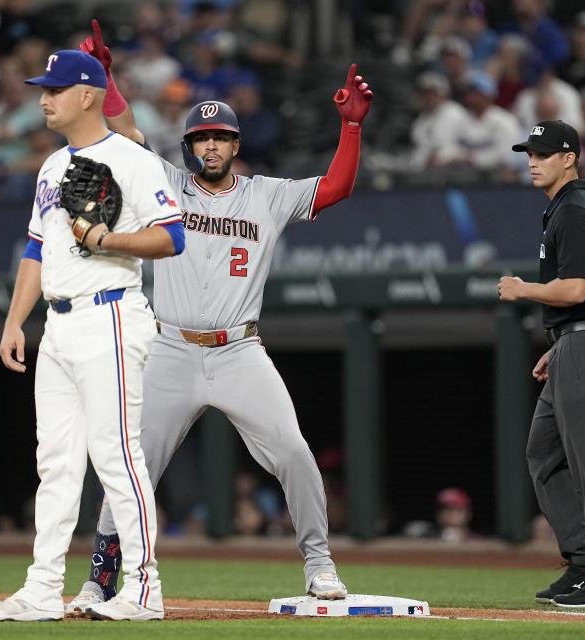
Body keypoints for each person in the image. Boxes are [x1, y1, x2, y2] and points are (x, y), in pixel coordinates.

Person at [65, 20, 372, 615]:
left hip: (238, 350)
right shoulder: (168, 185)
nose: (211, 146)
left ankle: (319, 563)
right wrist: (107, 83)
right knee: (129, 462)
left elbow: (335, 187)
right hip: (172, 350)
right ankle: (103, 577)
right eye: (201, 137)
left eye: (220, 137)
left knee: (294, 452)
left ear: (236, 145)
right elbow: (125, 133)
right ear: (190, 147)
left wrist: (352, 126)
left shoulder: (267, 194)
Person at [0, 48, 185, 623]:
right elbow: (37, 249)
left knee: (116, 456)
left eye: (55, 88)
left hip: (111, 315)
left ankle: (143, 590)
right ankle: (42, 590)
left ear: (88, 95)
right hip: (58, 325)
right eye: (43, 87)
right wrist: (15, 320)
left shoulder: (133, 160)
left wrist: (106, 241)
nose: (43, 97)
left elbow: (173, 238)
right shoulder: (49, 167)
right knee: (57, 463)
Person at [498, 119, 585, 609]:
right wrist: (559, 344)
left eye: (542, 154)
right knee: (544, 452)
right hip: (578, 341)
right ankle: (582, 564)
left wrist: (522, 289)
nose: (532, 161)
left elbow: (575, 289)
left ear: (569, 157)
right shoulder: (566, 208)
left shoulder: (574, 209)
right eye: (529, 154)